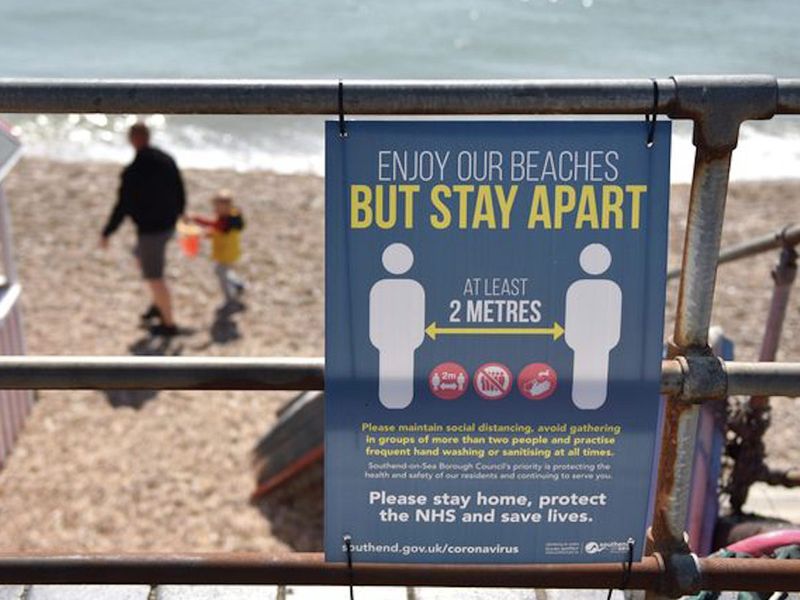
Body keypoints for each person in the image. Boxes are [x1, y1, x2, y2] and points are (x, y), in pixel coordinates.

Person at [100, 122, 185, 337]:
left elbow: (122, 205)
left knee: (154, 276)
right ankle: (158, 304)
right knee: (142, 258)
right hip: (166, 224)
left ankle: (169, 324)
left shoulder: (133, 171)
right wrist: (178, 214)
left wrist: (108, 231)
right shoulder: (166, 160)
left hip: (151, 230)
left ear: (132, 140)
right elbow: (180, 190)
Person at [188, 190, 246, 309]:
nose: (215, 210)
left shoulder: (226, 221)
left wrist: (197, 221)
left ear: (227, 207)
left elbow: (214, 227)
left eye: (218, 207)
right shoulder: (230, 218)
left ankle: (229, 298)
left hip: (225, 254)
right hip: (231, 252)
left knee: (221, 273)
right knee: (223, 271)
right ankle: (238, 284)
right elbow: (216, 229)